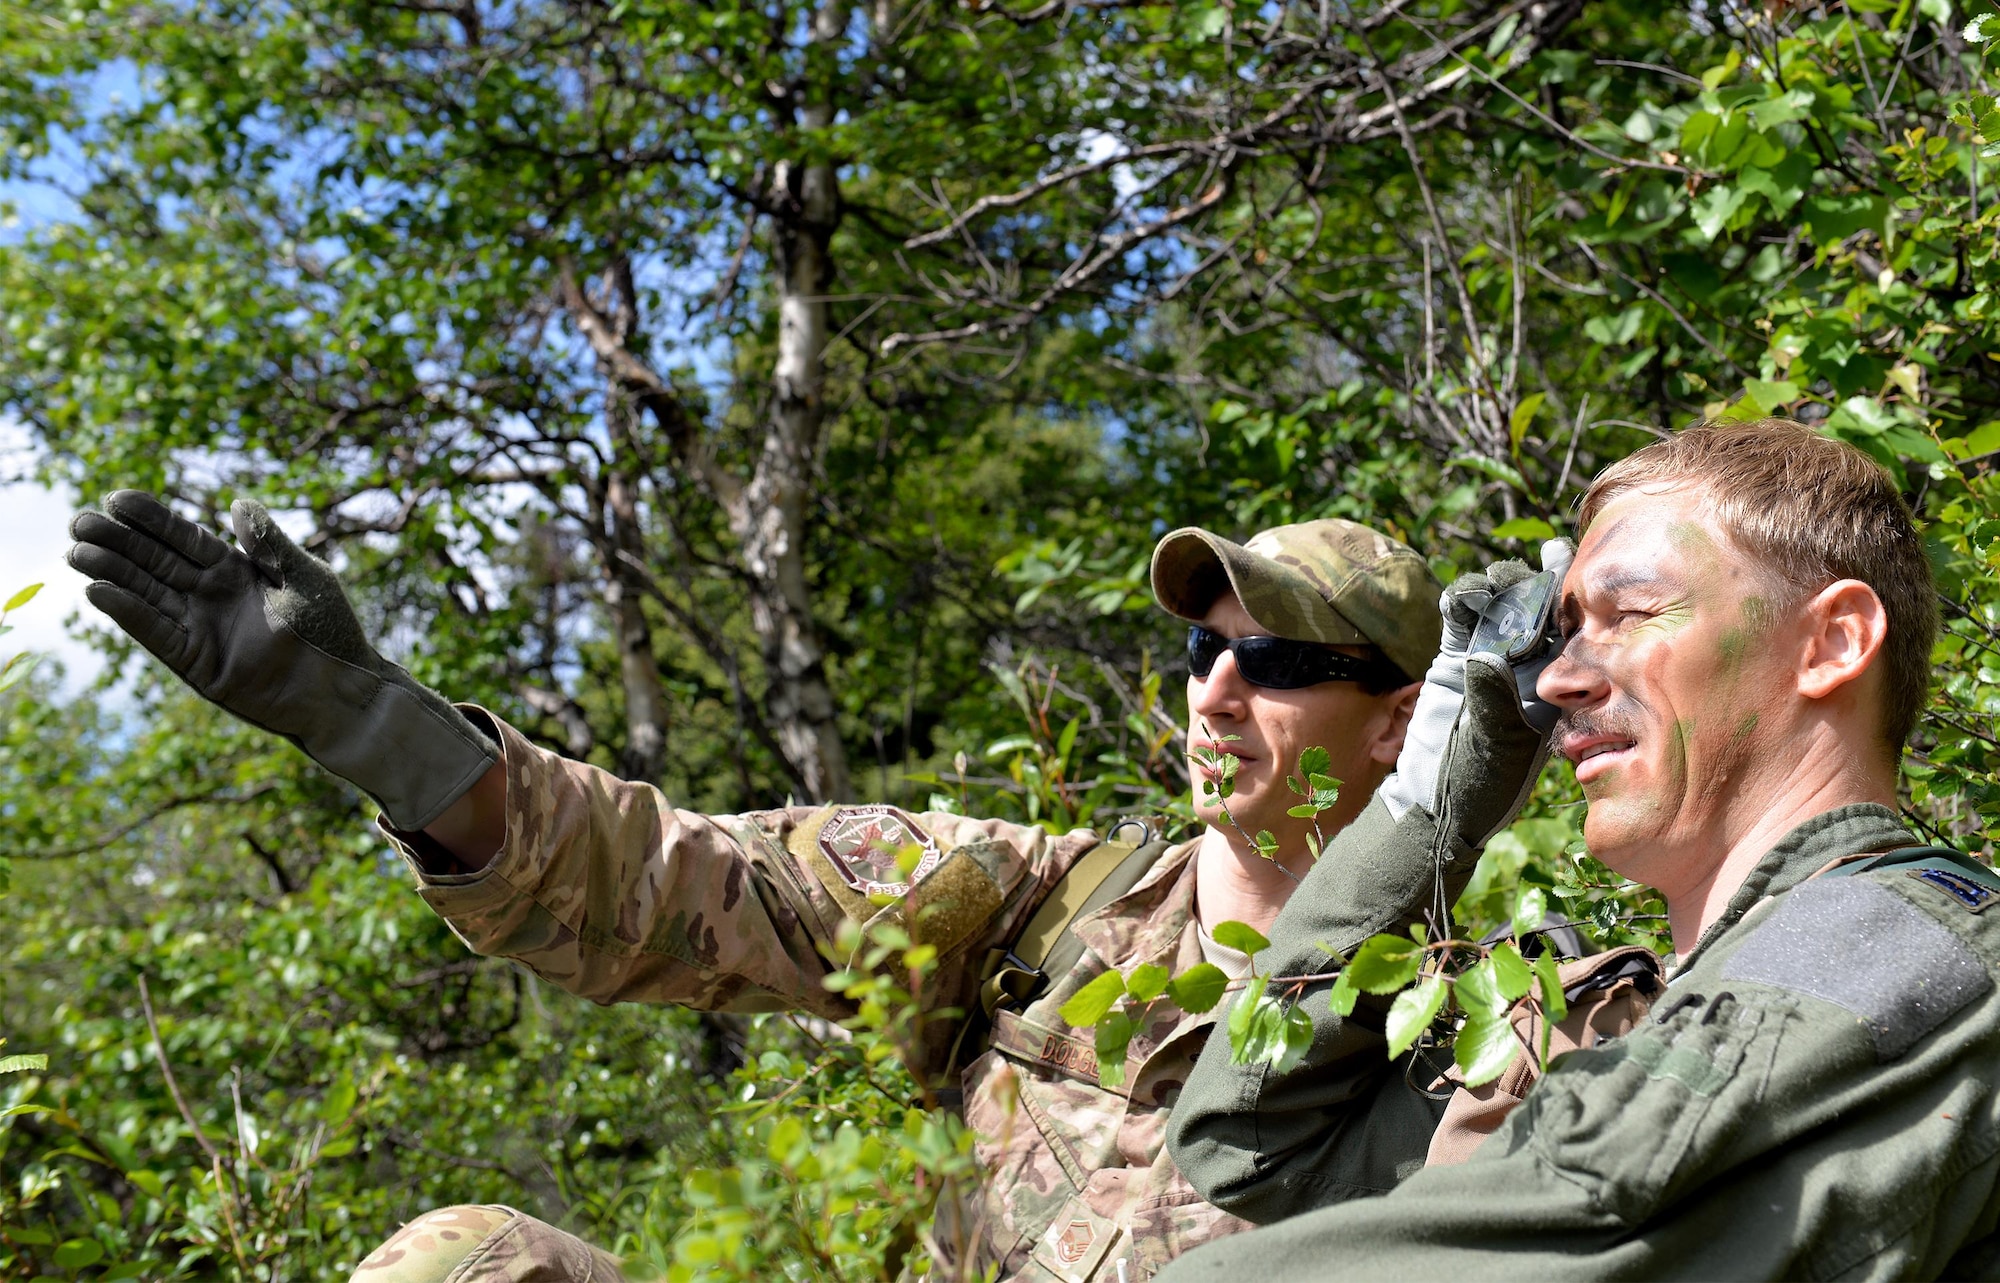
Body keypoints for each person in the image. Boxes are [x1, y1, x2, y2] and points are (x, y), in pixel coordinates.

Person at [65, 495, 1443, 1281]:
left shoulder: (1475, 1032)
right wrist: (364, 720)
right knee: (470, 1265)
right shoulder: (1038, 903)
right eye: (1200, 651)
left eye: (1273, 663)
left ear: (1396, 721)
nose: (1212, 690)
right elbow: (665, 879)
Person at [1160, 417, 2000, 1281]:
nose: (1559, 678)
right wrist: (1429, 805)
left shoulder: (1902, 951)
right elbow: (1248, 1145)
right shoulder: (1632, 1010)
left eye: (1630, 613)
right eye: (1564, 633)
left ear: (1833, 642)